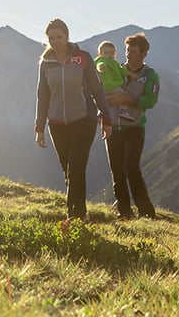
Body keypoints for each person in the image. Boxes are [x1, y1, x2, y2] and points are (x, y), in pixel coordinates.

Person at [34, 18, 114, 221]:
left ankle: (74, 215)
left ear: (67, 36)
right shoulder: (46, 63)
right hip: (57, 125)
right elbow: (42, 96)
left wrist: (106, 118)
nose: (56, 41)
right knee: (68, 169)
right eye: (51, 38)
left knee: (76, 167)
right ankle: (82, 212)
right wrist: (39, 126)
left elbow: (97, 89)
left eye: (59, 37)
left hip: (84, 120)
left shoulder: (83, 58)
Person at [107, 33, 160, 219]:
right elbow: (104, 87)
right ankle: (124, 211)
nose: (128, 54)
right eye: (127, 50)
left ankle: (146, 212)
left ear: (144, 54)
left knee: (131, 167)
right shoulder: (117, 70)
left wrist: (128, 100)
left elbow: (151, 100)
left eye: (133, 51)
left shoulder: (150, 75)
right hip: (113, 126)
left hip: (135, 128)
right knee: (117, 170)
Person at [94, 41, 135, 127]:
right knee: (124, 96)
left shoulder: (115, 63)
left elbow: (121, 71)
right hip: (108, 87)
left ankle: (103, 116)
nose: (109, 55)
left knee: (109, 105)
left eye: (112, 53)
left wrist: (129, 73)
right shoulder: (101, 60)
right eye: (106, 53)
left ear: (115, 54)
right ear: (100, 54)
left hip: (111, 87)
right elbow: (100, 65)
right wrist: (101, 68)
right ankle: (123, 112)